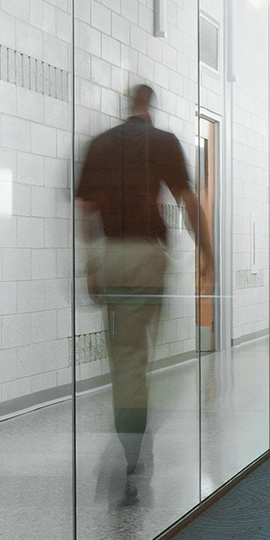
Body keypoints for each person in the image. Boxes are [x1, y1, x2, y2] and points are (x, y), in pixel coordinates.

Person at [76, 84, 212, 506]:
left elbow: (88, 211)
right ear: (150, 106)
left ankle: (131, 431)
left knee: (125, 354)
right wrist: (206, 252)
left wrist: (93, 265)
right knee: (141, 353)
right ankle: (134, 438)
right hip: (147, 258)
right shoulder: (163, 142)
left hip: (112, 254)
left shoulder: (99, 143)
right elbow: (188, 201)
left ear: (127, 104)